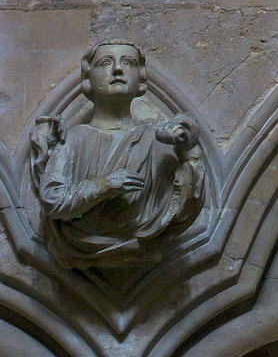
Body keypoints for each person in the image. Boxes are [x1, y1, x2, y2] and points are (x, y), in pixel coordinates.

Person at [29, 40, 204, 270]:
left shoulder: (158, 143)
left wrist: (190, 151)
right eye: (105, 63)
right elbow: (53, 199)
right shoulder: (75, 139)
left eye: (128, 62)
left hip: (142, 247)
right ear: (88, 79)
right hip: (81, 244)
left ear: (141, 80)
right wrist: (104, 186)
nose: (118, 69)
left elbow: (182, 209)